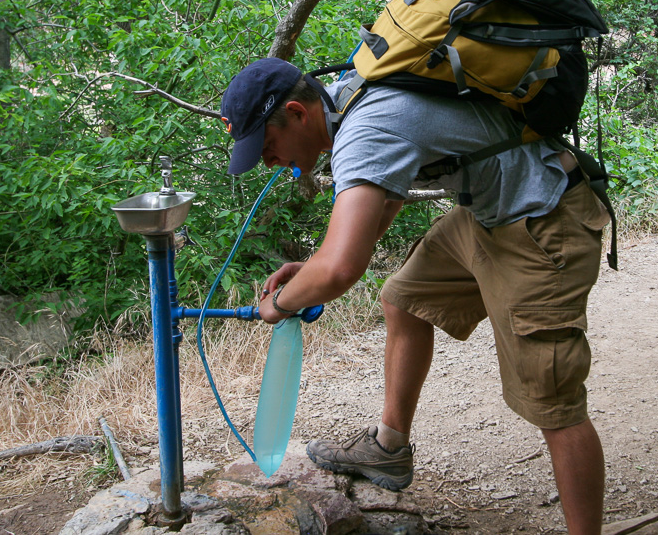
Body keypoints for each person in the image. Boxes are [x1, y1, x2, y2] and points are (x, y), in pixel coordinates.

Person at [221, 56, 611, 534]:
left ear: (299, 113)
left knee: (554, 403)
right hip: (490, 212)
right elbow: (389, 191)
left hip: (544, 218)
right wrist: (316, 268)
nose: (269, 161)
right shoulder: (353, 93)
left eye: (267, 145)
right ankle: (388, 448)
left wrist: (280, 304)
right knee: (404, 296)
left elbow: (341, 269)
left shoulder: (364, 129)